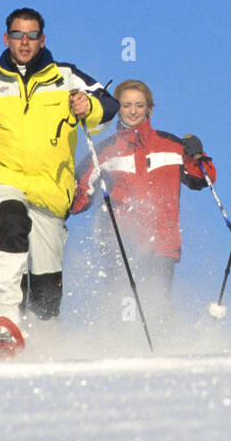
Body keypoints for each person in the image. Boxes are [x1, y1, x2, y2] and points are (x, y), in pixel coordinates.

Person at [0, 7, 118, 353]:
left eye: (31, 36)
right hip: (0, 176)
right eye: (17, 35)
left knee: (45, 287)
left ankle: (42, 348)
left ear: (42, 40)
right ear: (6, 39)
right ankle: (2, 322)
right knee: (11, 219)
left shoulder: (66, 77)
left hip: (50, 190)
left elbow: (108, 104)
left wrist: (88, 107)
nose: (24, 42)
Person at [70, 80, 212, 305]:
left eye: (139, 105)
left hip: (162, 243)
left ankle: (164, 340)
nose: (133, 111)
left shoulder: (170, 145)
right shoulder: (105, 151)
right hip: (121, 243)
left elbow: (203, 178)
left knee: (158, 306)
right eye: (126, 105)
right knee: (121, 307)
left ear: (149, 108)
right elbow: (78, 199)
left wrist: (197, 153)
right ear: (117, 108)